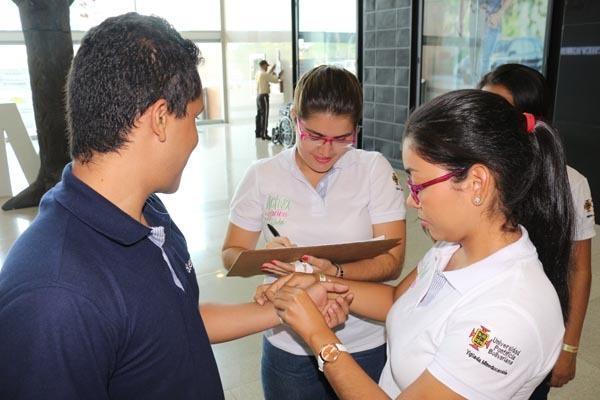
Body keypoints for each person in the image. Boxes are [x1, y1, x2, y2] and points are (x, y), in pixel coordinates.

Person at [0, 13, 351, 399]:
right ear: (162, 119)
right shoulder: (54, 295)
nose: (196, 139)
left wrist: (287, 307)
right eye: (195, 119)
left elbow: (178, 321)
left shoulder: (149, 214)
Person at [257, 89, 575, 399]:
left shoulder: (509, 314)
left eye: (418, 183)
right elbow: (398, 299)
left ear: (477, 183)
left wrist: (319, 337)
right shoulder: (452, 249)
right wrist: (319, 281)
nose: (411, 200)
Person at [222, 65, 407, 399]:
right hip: (287, 344)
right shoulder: (262, 175)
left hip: (361, 341)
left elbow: (392, 261)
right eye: (315, 136)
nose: (326, 150)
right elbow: (231, 253)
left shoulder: (373, 170)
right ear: (295, 119)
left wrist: (334, 273)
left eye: (341, 139)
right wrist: (266, 258)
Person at [478, 63, 596, 398]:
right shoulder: (474, 173)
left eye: (499, 110)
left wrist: (569, 347)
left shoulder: (569, 183)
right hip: (477, 318)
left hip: (532, 328)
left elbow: (580, 269)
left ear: (530, 118)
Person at [459, 0, 512, 83]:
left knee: (485, 59)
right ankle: (477, 87)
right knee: (474, 57)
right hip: (475, 18)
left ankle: (482, 88)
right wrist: (460, 21)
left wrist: (499, 14)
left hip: (491, 20)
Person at [255, 59, 282, 140]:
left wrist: (271, 71)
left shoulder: (258, 73)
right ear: (263, 65)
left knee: (259, 115)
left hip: (258, 96)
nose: (267, 67)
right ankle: (264, 134)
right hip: (264, 97)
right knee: (265, 115)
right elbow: (276, 80)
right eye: (266, 66)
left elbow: (267, 75)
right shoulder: (264, 74)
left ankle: (258, 133)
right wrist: (279, 75)